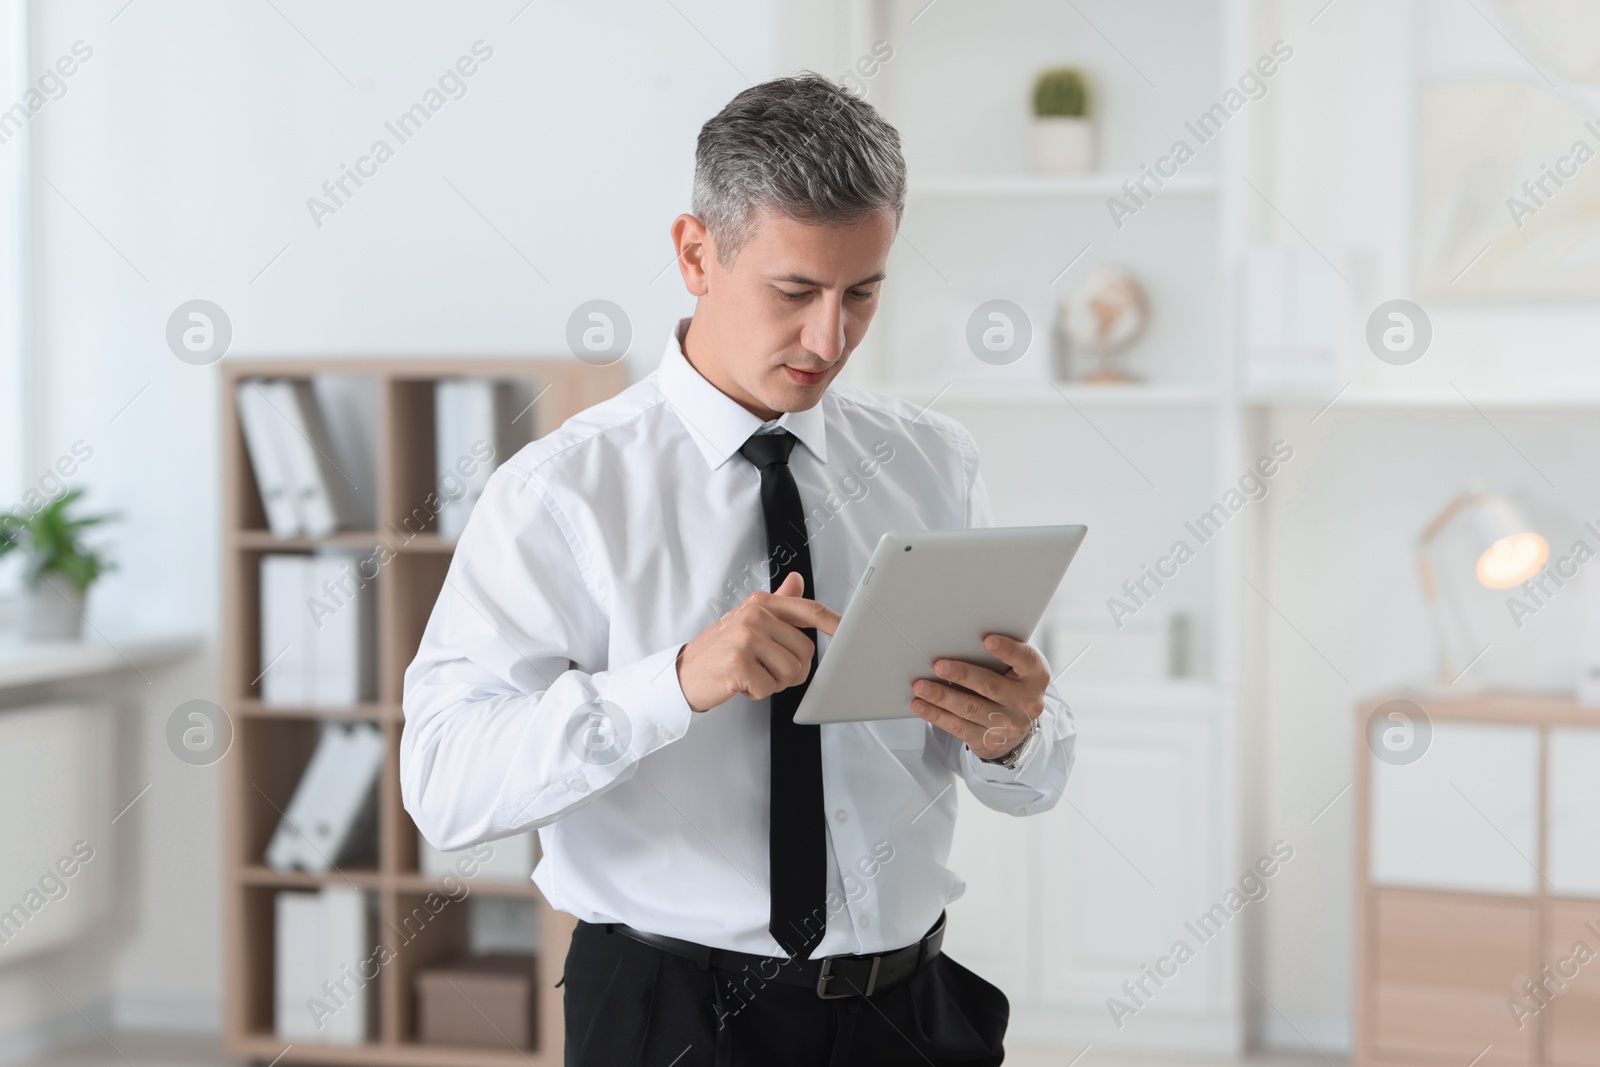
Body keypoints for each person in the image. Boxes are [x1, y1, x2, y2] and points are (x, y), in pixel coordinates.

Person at [401, 72, 1074, 1067]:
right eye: (795, 291)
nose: (828, 338)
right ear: (694, 253)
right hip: (671, 1016)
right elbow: (446, 787)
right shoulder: (559, 492)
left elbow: (1032, 778)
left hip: (909, 1011)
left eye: (863, 292)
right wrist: (671, 684)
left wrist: (1016, 735)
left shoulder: (936, 463)